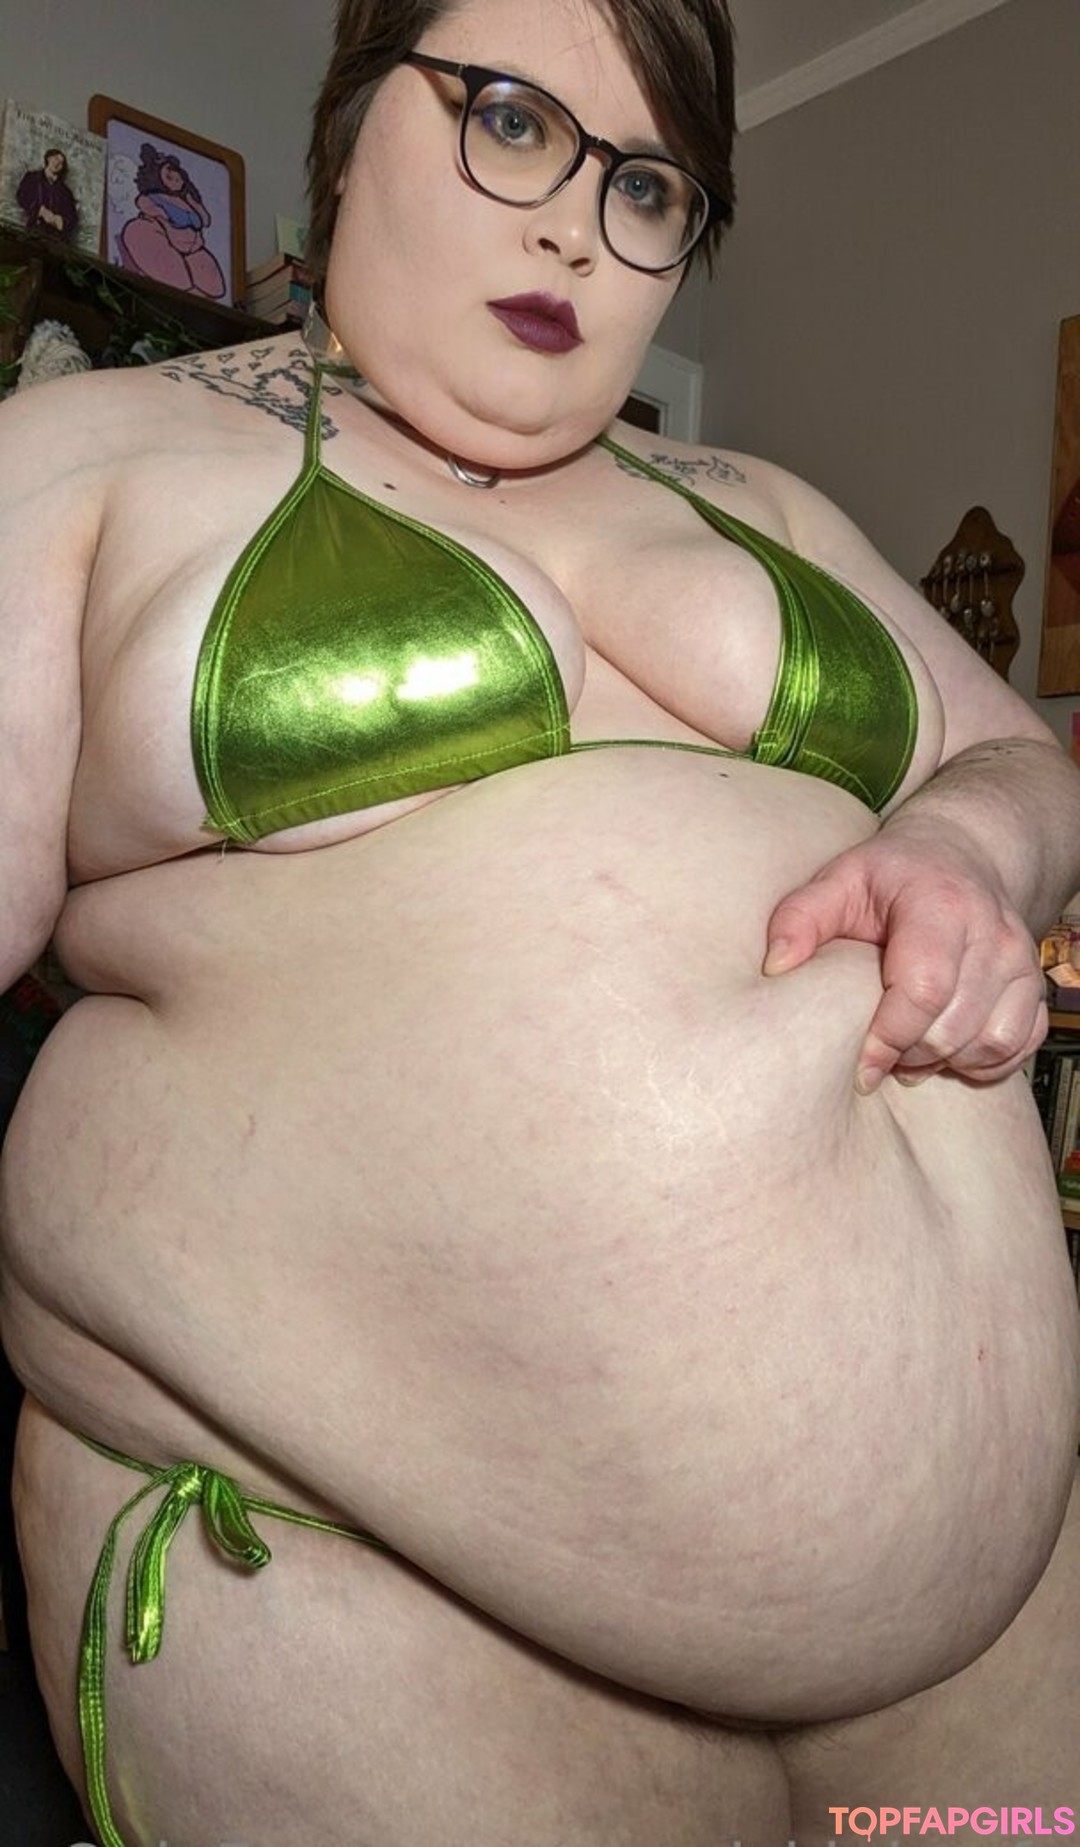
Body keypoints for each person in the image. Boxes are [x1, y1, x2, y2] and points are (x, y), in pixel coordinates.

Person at [1, 0, 1079, 1841]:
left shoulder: (767, 502)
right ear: (353, 123)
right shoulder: (85, 449)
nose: (579, 225)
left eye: (647, 184)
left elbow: (1024, 762)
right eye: (511, 120)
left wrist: (972, 846)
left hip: (975, 1656)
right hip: (364, 1584)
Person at [115, 143, 226, 299]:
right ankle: (181, 284)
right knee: (139, 231)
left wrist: (195, 204)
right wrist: (163, 215)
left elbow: (205, 220)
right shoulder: (155, 198)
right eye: (169, 177)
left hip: (193, 249)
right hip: (164, 239)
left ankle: (196, 290)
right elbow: (144, 204)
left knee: (208, 275)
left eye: (178, 177)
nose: (175, 180)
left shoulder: (186, 200)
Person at [15, 147, 78, 240]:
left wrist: (59, 221)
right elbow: (22, 196)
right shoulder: (32, 177)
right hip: (33, 232)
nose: (57, 163)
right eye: (56, 159)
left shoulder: (65, 192)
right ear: (48, 158)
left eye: (61, 163)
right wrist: (40, 210)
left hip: (55, 239)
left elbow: (72, 219)